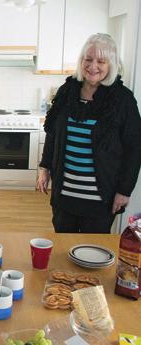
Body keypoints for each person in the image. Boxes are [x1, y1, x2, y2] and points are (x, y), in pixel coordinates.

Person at [37, 33, 141, 233]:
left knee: (93, 253)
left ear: (111, 64)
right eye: (88, 59)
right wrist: (44, 168)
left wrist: (124, 191)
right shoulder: (66, 91)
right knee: (62, 250)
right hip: (65, 195)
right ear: (81, 61)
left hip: (101, 199)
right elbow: (52, 134)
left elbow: (134, 149)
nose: (93, 66)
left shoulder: (123, 100)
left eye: (101, 61)